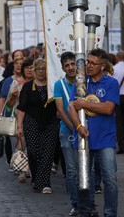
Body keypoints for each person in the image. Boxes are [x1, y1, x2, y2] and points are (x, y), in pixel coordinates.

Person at [68, 48, 119, 217]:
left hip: (105, 139)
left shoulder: (111, 83)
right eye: (87, 62)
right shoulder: (81, 82)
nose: (88, 66)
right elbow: (71, 107)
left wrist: (85, 104)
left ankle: (110, 213)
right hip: (84, 138)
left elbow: (108, 108)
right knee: (83, 179)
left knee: (110, 179)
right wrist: (78, 127)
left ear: (103, 66)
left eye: (93, 63)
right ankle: (85, 210)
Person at [17, 58, 59, 193]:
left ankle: (45, 183)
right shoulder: (28, 87)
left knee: (47, 153)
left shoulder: (53, 86)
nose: (41, 71)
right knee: (34, 152)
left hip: (50, 122)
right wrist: (19, 126)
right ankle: (36, 178)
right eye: (38, 69)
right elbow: (22, 108)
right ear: (34, 71)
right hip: (31, 122)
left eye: (43, 68)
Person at [53, 51, 78, 215]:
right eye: (67, 65)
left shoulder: (84, 81)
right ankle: (76, 204)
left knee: (87, 169)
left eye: (73, 64)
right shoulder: (59, 85)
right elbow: (60, 111)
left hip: (86, 132)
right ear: (63, 68)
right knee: (71, 170)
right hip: (67, 131)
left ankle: (87, 203)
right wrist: (74, 128)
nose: (71, 68)